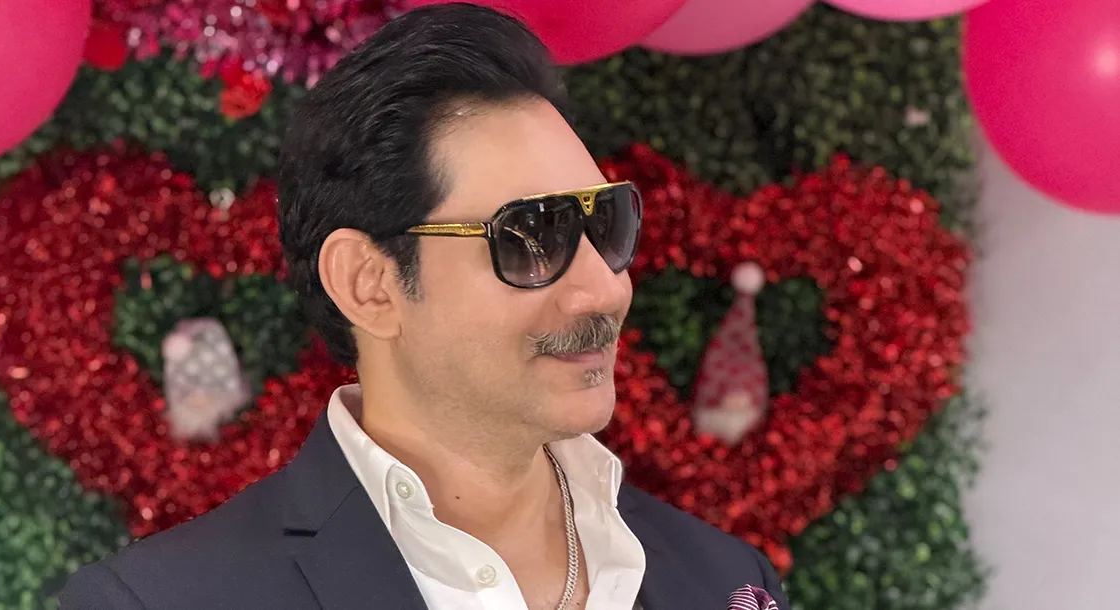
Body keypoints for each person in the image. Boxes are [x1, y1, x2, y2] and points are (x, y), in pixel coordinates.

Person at [59, 3, 791, 609]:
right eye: (532, 237)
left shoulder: (729, 582)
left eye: (608, 224)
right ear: (369, 284)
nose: (604, 288)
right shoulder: (162, 600)